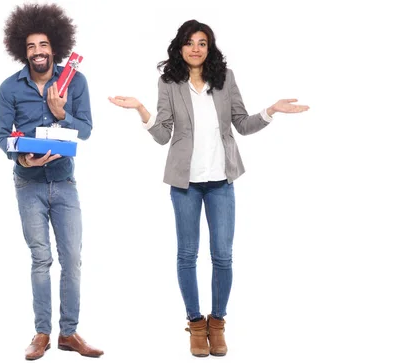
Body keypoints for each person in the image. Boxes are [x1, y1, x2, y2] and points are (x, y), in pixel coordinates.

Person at [109, 19, 309, 357]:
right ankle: (195, 325)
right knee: (187, 255)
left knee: (223, 256)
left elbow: (243, 125)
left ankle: (217, 325)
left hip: (221, 182)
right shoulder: (168, 83)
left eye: (202, 42)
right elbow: (162, 135)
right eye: (189, 42)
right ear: (180, 47)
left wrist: (271, 111)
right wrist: (141, 110)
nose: (195, 48)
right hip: (185, 184)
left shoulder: (225, 79)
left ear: (209, 47)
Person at [0, 4, 103, 360]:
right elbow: (1, 137)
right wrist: (21, 156)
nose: (38, 51)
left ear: (54, 47)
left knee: (72, 258)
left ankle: (68, 334)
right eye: (30, 47)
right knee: (41, 258)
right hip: (28, 185)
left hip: (64, 181)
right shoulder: (10, 88)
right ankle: (42, 333)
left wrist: (62, 113)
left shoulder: (75, 82)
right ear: (22, 51)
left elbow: (85, 131)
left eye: (43, 45)